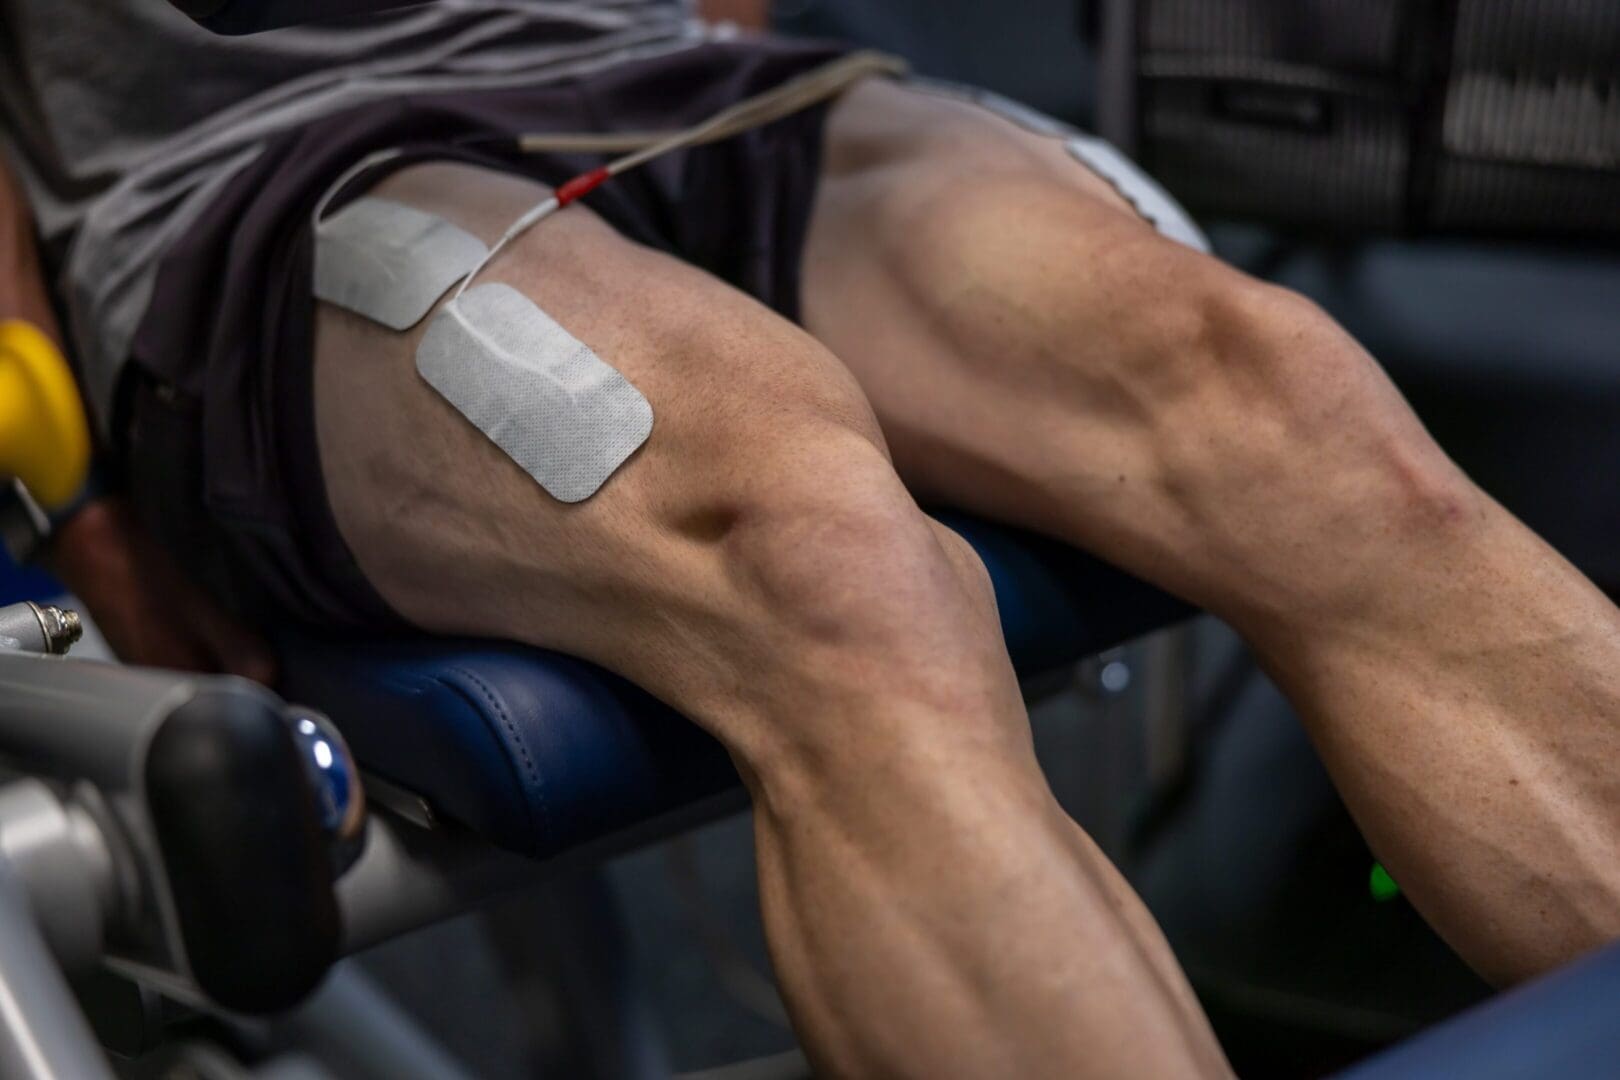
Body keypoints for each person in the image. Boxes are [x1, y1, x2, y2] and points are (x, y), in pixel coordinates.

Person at [3, 1, 1617, 1075]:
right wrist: (67, 495)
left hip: (685, 76)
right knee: (827, 558)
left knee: (1297, 416)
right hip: (266, 172)